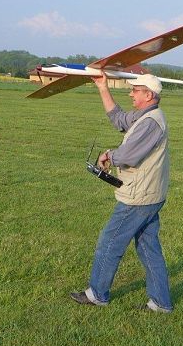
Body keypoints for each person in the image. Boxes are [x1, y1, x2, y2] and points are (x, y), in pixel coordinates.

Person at [70, 73, 173, 313]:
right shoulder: (144, 115)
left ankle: (97, 294)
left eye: (135, 90)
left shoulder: (150, 122)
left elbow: (128, 156)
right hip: (150, 195)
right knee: (149, 248)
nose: (131, 93)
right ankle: (161, 302)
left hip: (139, 197)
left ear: (149, 95)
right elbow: (118, 119)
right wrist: (102, 87)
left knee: (109, 242)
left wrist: (108, 155)